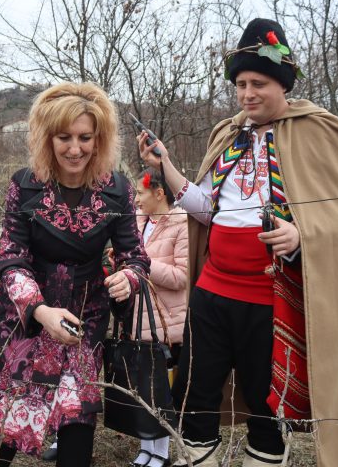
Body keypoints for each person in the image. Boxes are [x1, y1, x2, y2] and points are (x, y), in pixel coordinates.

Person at [138, 18, 338, 466]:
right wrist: (165, 164)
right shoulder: (229, 135)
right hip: (211, 293)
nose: (248, 93)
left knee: (268, 403)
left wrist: (304, 234)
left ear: (282, 84)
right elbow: (206, 209)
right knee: (195, 391)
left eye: (258, 83)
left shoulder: (317, 132)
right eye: (241, 84)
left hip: (271, 299)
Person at [0, 81, 150, 467]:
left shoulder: (116, 189)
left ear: (99, 139)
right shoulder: (24, 185)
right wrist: (39, 310)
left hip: (85, 320)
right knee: (6, 424)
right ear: (46, 138)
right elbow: (11, 258)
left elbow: (135, 256)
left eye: (85, 137)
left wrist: (127, 277)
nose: (75, 148)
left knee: (77, 421)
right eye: (64, 137)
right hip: (23, 319)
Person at [129, 167, 188, 467]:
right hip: (137, 315)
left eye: (140, 193)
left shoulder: (181, 224)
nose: (136, 199)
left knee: (160, 387)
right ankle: (145, 447)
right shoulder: (137, 223)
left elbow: (181, 276)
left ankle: (161, 452)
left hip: (165, 320)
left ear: (159, 193)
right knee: (141, 384)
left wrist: (143, 263)